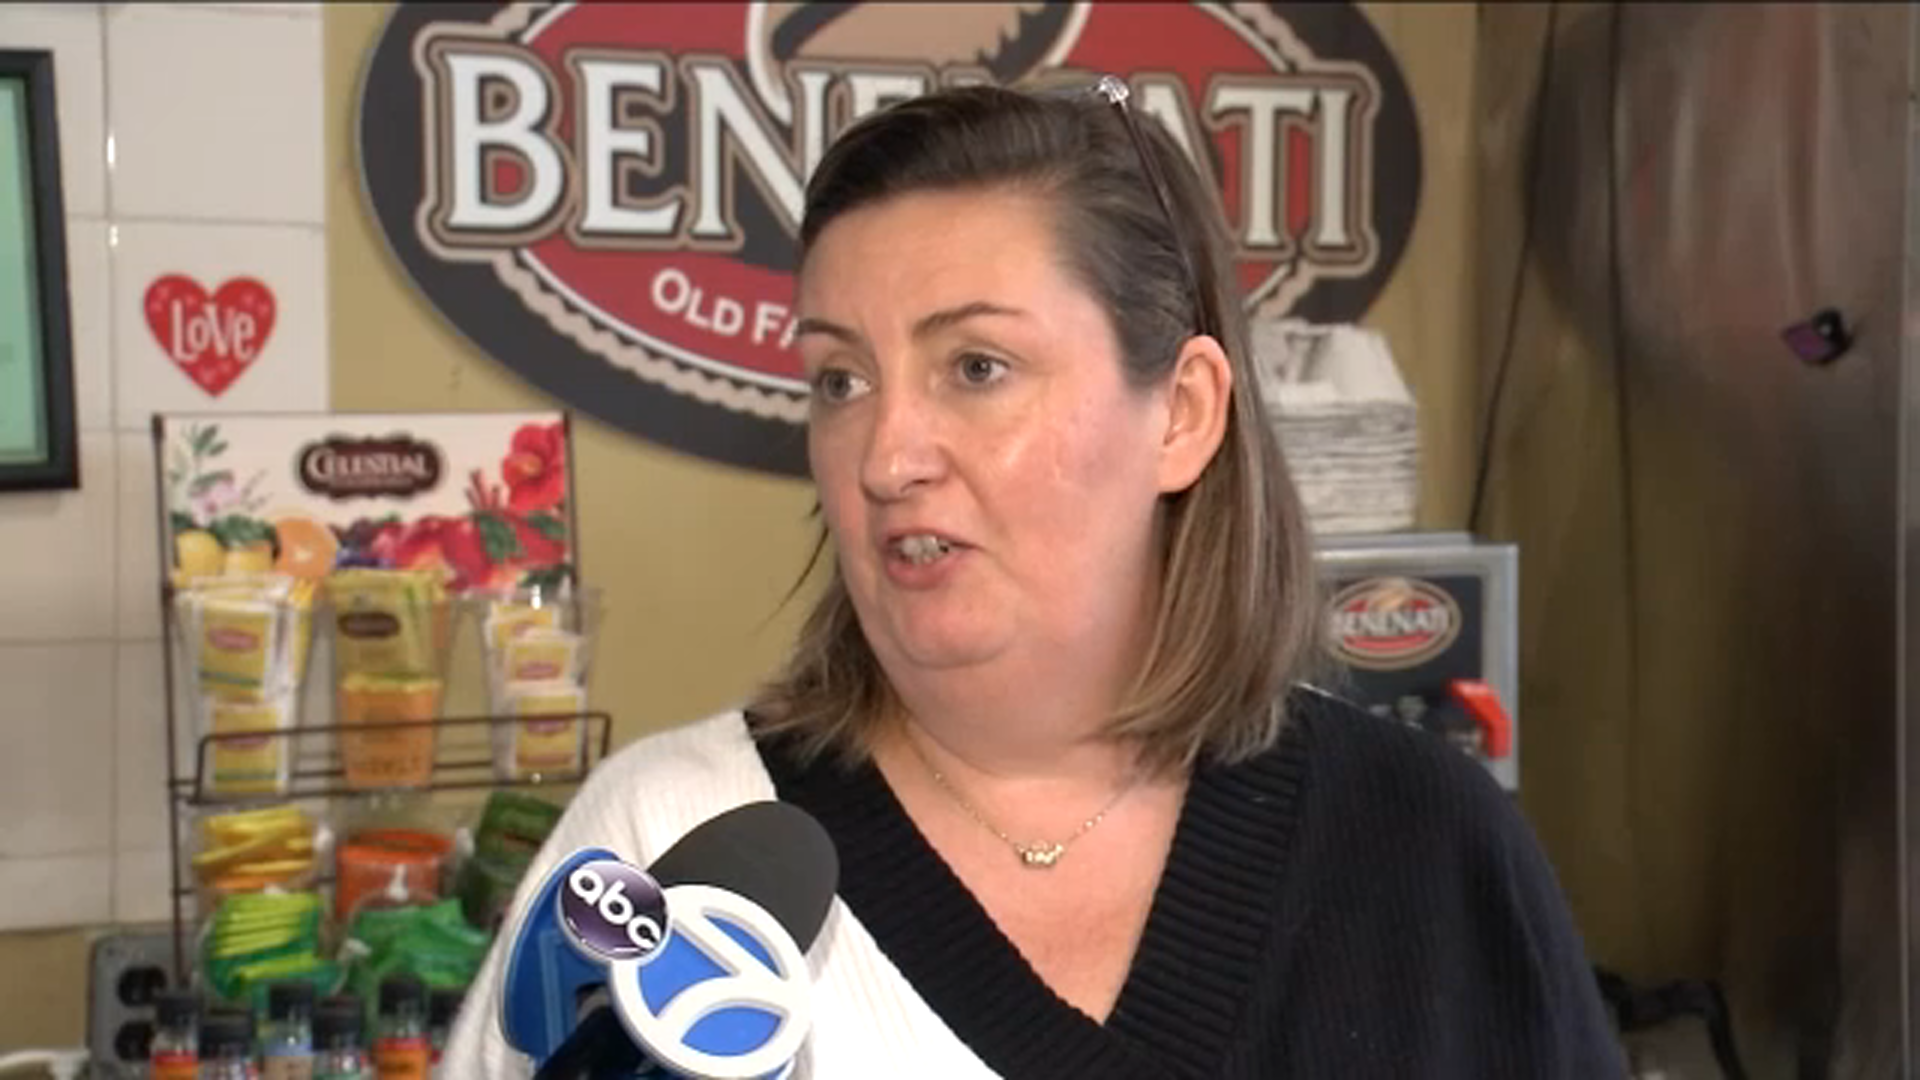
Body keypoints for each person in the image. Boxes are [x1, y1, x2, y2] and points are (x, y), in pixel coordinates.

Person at [443, 79, 1625, 1078]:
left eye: (977, 365)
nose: (888, 454)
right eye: (839, 381)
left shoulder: (1426, 844)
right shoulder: (663, 837)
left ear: (1184, 414)